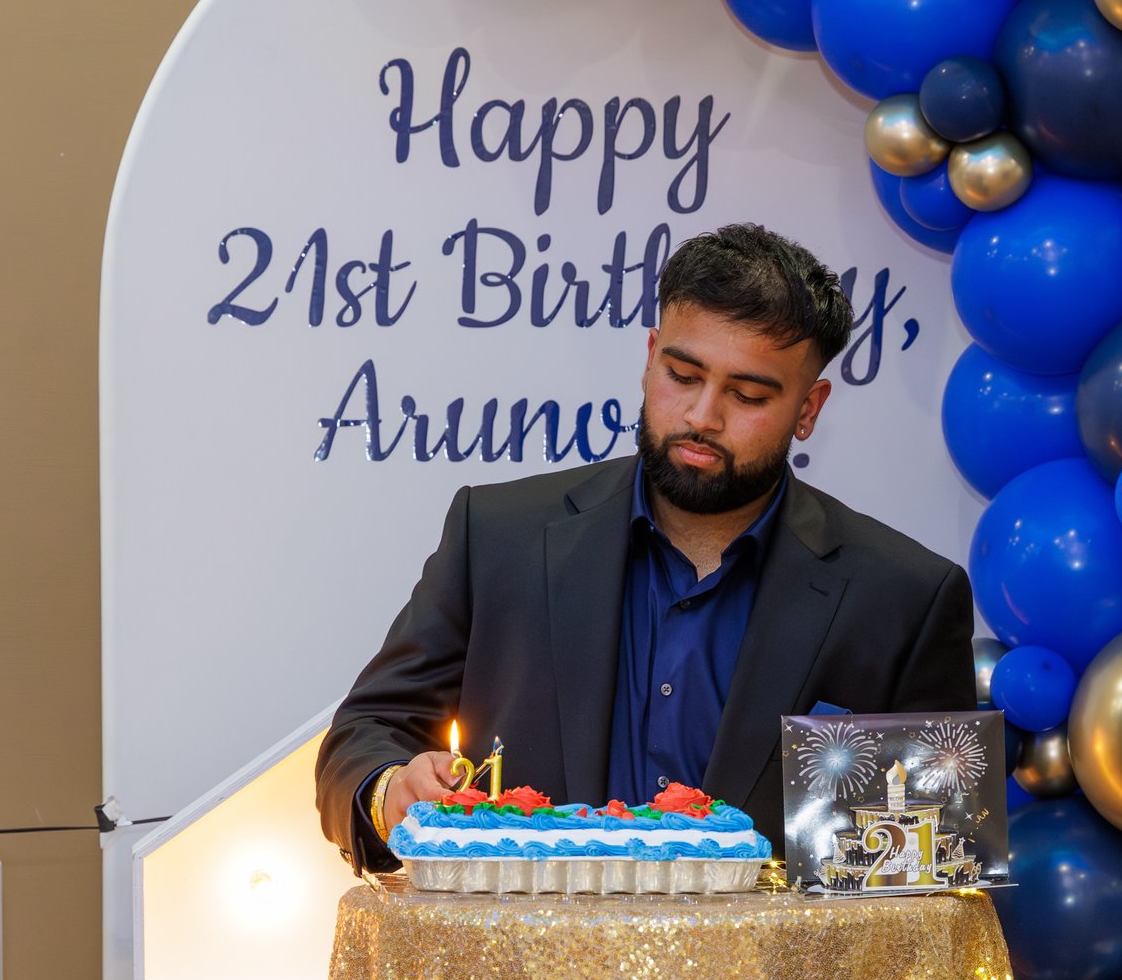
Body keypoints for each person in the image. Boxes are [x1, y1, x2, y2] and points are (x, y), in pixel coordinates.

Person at [316, 223, 975, 868]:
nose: (702, 416)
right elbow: (365, 732)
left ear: (809, 408)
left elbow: (929, 880)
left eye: (746, 394)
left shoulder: (904, 598)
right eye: (683, 375)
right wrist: (388, 790)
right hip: (520, 974)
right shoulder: (497, 534)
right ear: (651, 354)